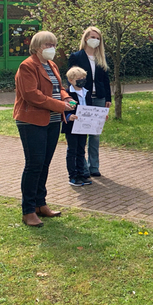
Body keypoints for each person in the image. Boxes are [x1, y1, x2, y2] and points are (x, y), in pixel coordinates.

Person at [14, 30, 75, 227]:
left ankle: (41, 204)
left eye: (53, 44)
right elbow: (32, 95)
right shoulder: (27, 66)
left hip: (53, 120)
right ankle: (28, 210)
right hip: (32, 121)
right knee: (34, 164)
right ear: (36, 46)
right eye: (47, 45)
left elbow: (58, 88)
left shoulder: (52, 65)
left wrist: (66, 98)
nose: (51, 48)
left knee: (45, 163)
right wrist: (60, 106)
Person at [68, 26, 111, 177]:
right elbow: (70, 78)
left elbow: (106, 80)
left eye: (98, 38)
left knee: (95, 133)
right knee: (82, 131)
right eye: (93, 37)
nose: (95, 40)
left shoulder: (101, 57)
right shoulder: (76, 56)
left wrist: (108, 98)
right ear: (86, 38)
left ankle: (94, 166)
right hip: (82, 97)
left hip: (99, 97)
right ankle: (82, 166)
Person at [61, 66, 93, 187]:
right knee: (72, 150)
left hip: (84, 126)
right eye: (79, 79)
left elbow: (90, 107)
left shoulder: (87, 92)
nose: (82, 80)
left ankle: (81, 173)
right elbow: (63, 109)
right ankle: (73, 176)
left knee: (81, 150)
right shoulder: (68, 93)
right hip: (72, 127)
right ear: (71, 80)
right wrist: (69, 116)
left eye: (83, 78)